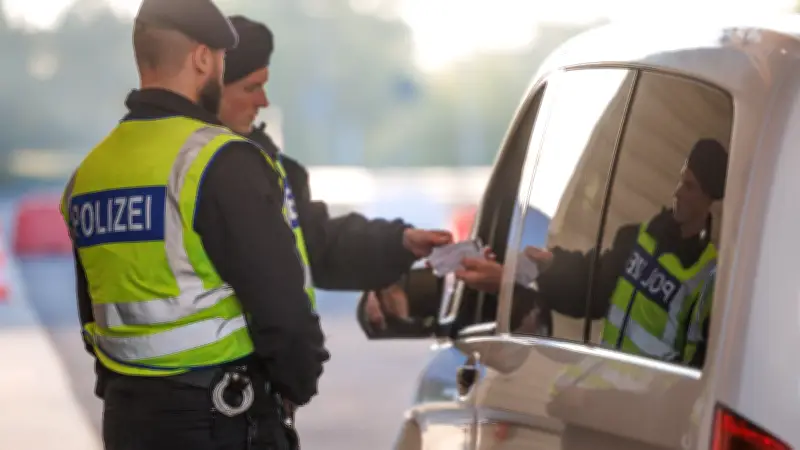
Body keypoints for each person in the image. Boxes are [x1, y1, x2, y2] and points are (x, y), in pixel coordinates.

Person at [60, 0, 329, 448]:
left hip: (127, 418)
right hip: (221, 419)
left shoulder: (90, 174)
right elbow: (282, 309)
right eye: (221, 60)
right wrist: (295, 385)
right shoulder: (221, 160)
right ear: (203, 58)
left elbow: (94, 312)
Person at [217, 14, 454, 295]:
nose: (263, 101)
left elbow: (315, 242)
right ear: (209, 88)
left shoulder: (266, 166)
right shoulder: (192, 169)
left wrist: (399, 242)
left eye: (263, 86)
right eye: (251, 88)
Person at [455, 138, 728, 368]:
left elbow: (698, 364)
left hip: (647, 408)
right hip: (601, 391)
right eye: (680, 180)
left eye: (689, 186)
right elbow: (593, 291)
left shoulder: (709, 278)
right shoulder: (636, 239)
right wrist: (550, 267)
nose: (677, 192)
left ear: (709, 198)